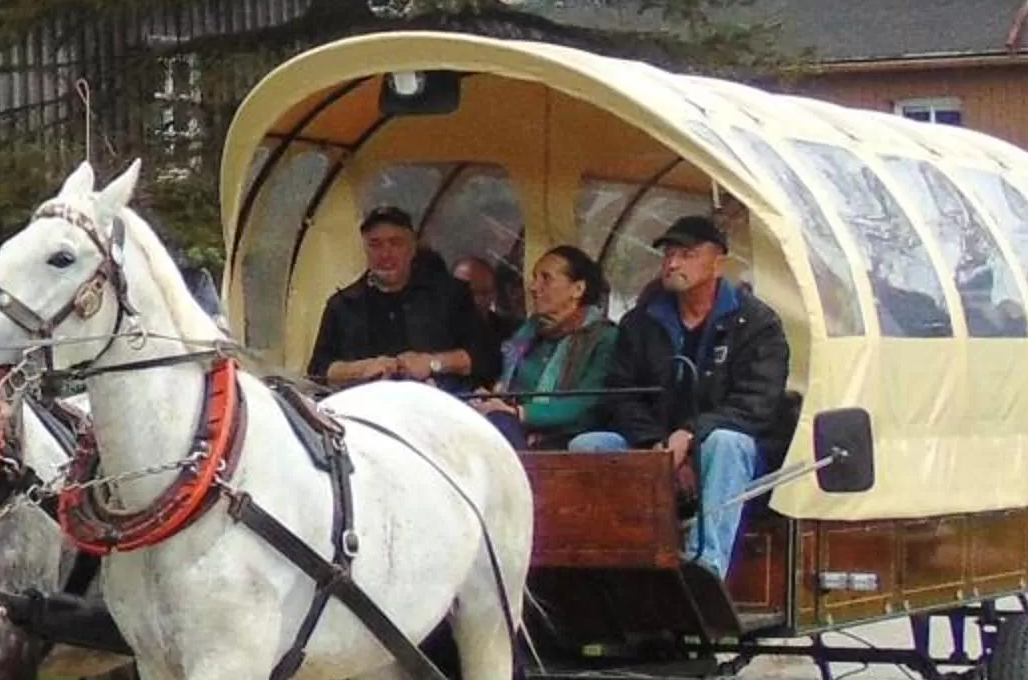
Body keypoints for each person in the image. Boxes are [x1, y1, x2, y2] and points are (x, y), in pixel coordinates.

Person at [568, 213, 791, 573]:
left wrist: (690, 436)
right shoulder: (641, 322)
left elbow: (757, 404)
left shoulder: (757, 324)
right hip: (657, 446)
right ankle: (605, 563)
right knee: (588, 445)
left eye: (686, 254)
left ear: (718, 260)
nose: (672, 263)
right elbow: (621, 394)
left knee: (725, 442)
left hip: (728, 455)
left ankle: (707, 567)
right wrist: (655, 445)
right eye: (668, 253)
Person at [307, 205, 485, 390]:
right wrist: (362, 369)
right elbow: (318, 372)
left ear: (412, 248)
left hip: (438, 405)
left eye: (395, 243)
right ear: (365, 249)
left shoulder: (449, 296)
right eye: (375, 245)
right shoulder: (343, 306)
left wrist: (432, 363)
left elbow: (482, 358)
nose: (385, 254)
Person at [472, 244, 617, 450]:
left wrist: (520, 413)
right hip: (510, 423)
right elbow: (504, 381)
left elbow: (588, 404)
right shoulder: (528, 332)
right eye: (535, 277)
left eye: (546, 278)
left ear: (577, 289)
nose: (533, 287)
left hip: (565, 437)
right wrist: (491, 398)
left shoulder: (603, 338)